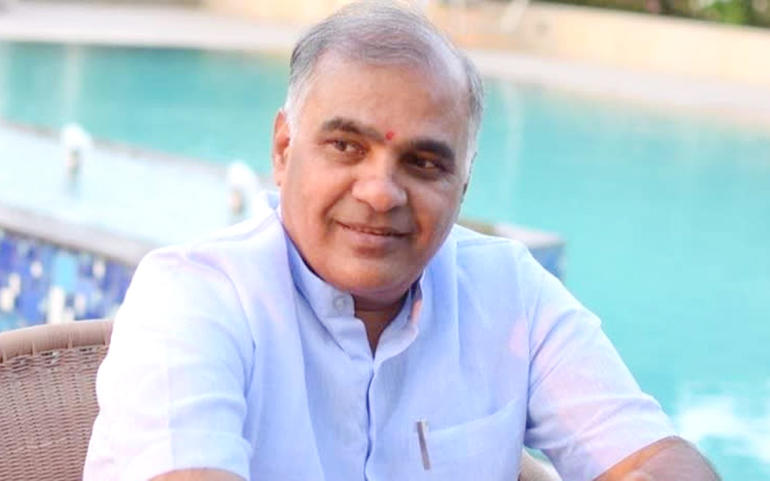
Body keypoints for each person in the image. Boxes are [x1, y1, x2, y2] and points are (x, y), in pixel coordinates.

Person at [84, 1, 719, 480]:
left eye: (423, 163)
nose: (381, 192)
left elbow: (650, 456)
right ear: (283, 150)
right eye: (345, 146)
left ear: (463, 185)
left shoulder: (510, 293)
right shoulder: (194, 298)